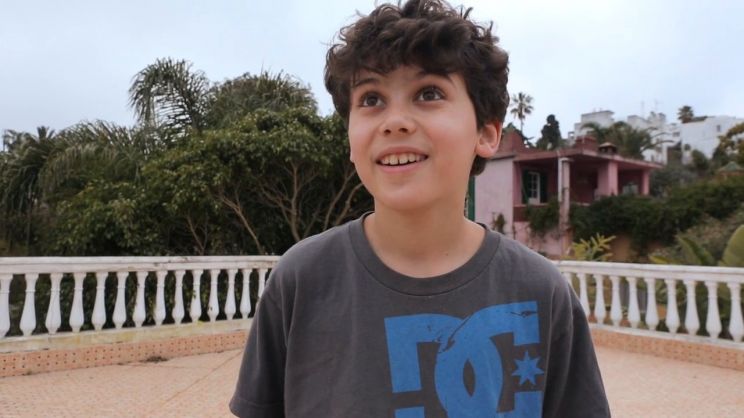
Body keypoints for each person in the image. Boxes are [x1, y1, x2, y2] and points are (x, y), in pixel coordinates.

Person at [230, 0, 610, 416]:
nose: (394, 121)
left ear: (486, 134)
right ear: (350, 137)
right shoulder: (301, 281)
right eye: (371, 99)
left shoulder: (540, 291)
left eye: (429, 93)